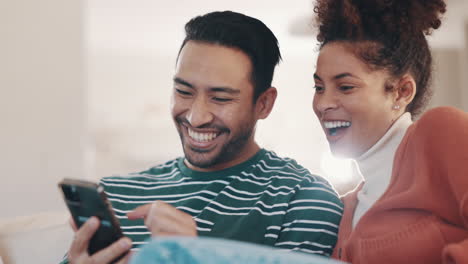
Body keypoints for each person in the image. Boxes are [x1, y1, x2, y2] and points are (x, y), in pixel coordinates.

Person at [61, 11, 343, 264]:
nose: (196, 117)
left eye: (220, 98)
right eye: (184, 92)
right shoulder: (115, 195)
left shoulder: (301, 199)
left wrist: (194, 256)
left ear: (263, 104)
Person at [312, 0, 468, 263]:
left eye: (346, 87)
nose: (323, 103)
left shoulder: (441, 135)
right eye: (319, 88)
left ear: (402, 91)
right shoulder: (345, 209)